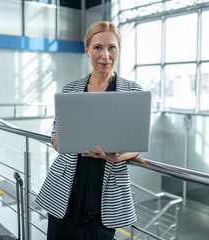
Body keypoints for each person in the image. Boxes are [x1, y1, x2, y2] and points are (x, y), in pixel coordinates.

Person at [35, 21, 143, 240]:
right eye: (97, 47)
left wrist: (117, 156)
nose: (105, 55)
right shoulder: (70, 89)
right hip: (67, 186)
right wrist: (65, 140)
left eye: (112, 47)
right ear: (87, 50)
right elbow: (56, 136)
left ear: (119, 50)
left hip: (105, 188)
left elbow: (138, 143)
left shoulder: (133, 91)